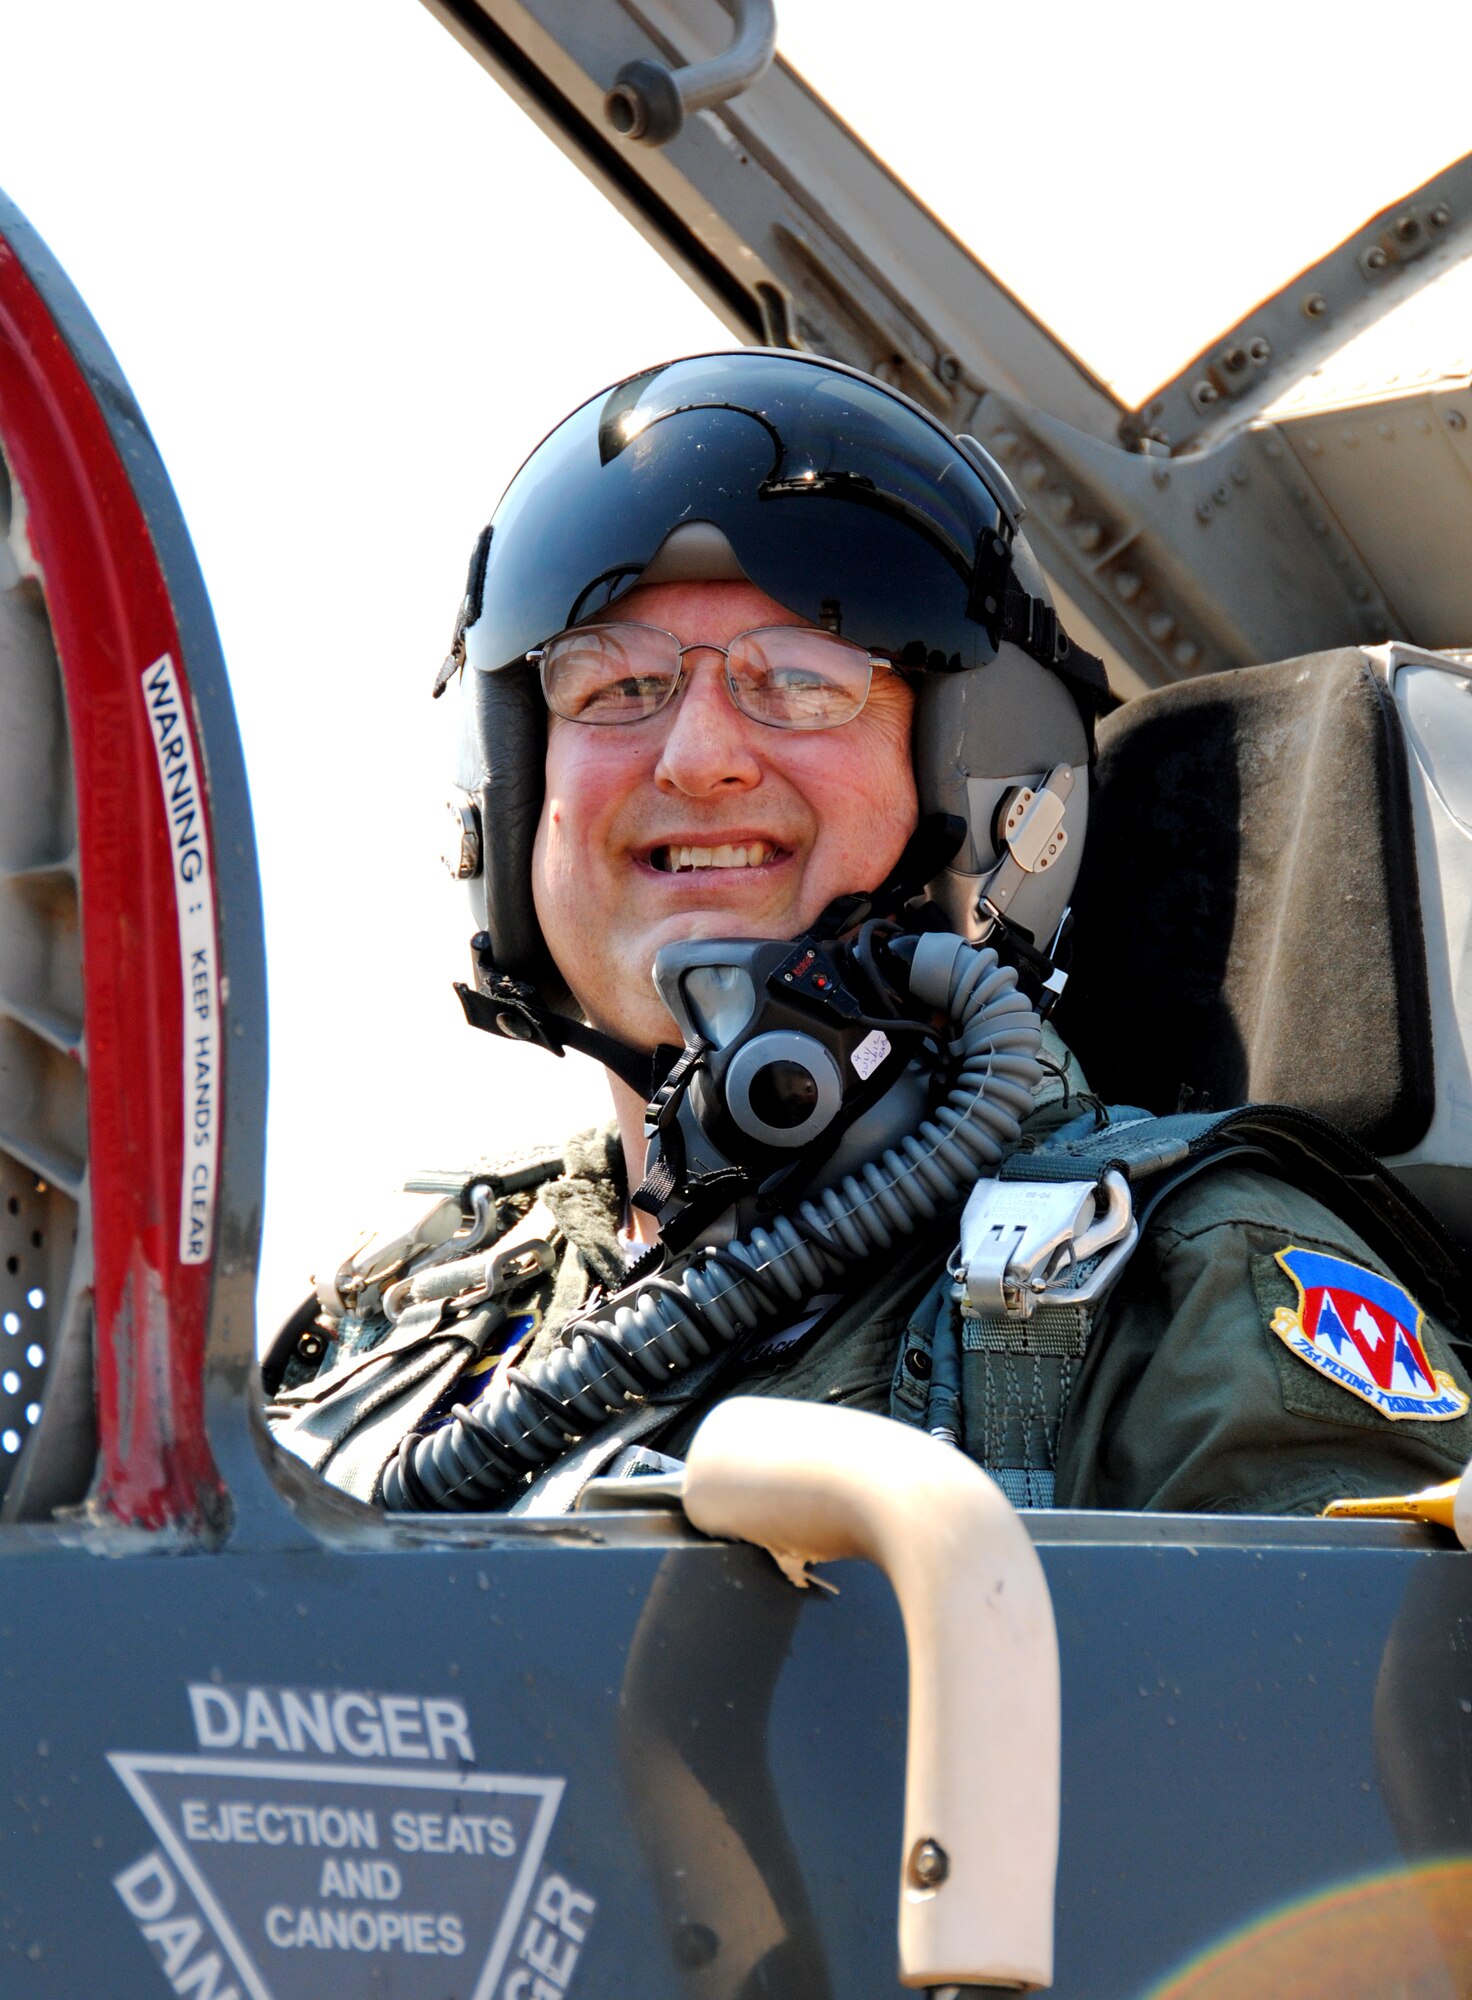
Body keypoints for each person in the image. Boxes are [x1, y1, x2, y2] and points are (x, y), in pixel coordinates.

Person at [266, 350, 1472, 1518]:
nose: (695, 757)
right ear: (514, 787)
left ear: (980, 770)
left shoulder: (1178, 1286)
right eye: (614, 686)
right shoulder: (418, 1299)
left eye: (800, 681)